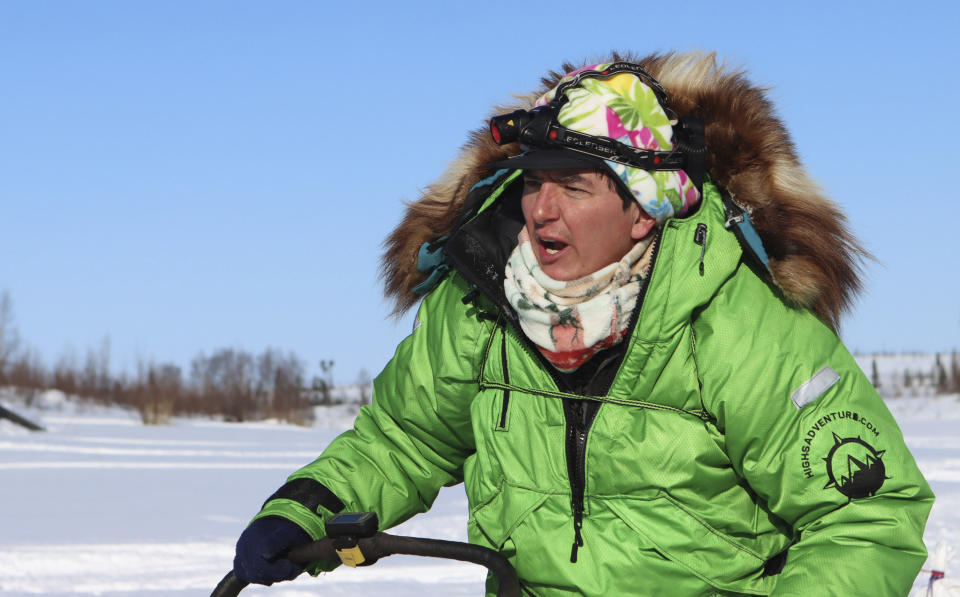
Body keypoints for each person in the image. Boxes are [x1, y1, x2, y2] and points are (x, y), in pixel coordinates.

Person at [232, 52, 933, 596]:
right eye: (535, 180)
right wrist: (304, 508)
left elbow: (866, 519)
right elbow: (402, 440)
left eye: (574, 185)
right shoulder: (479, 304)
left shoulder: (739, 325)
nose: (541, 208)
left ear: (642, 208)